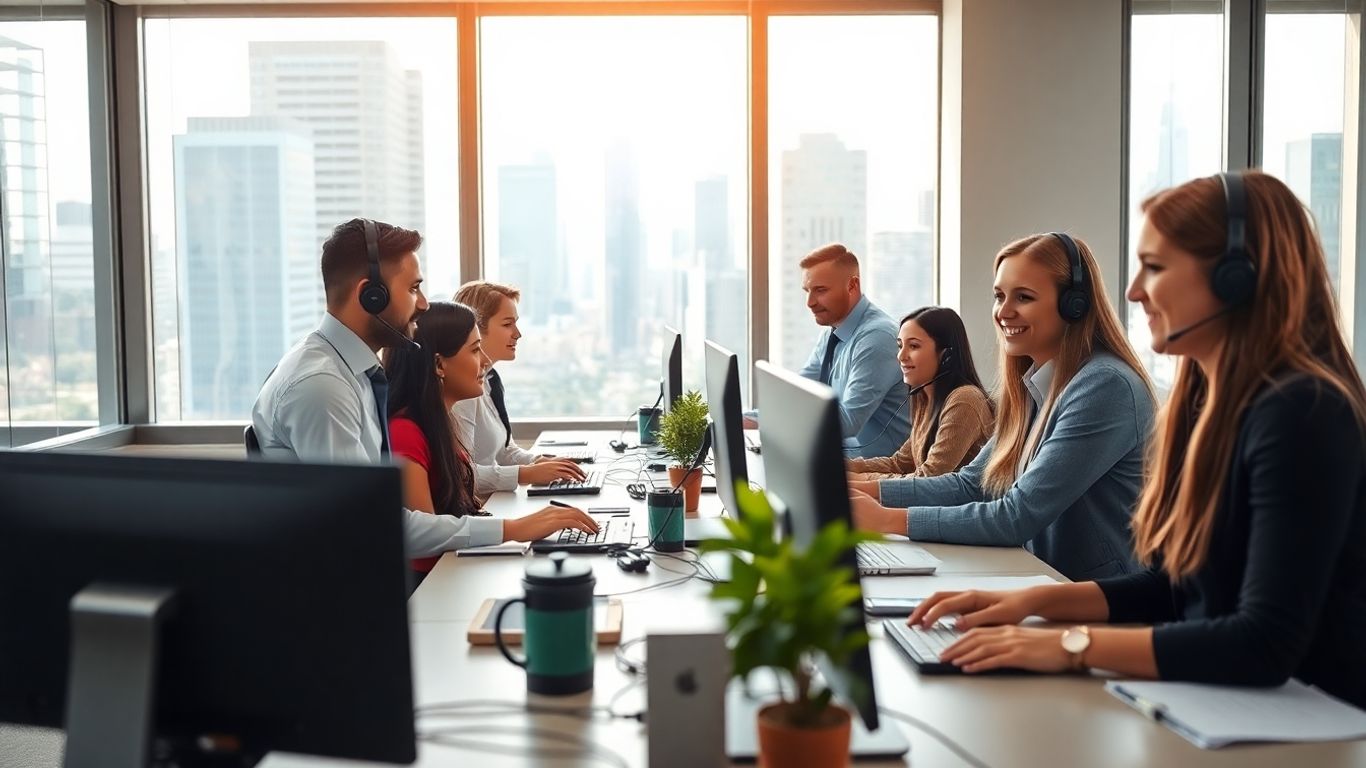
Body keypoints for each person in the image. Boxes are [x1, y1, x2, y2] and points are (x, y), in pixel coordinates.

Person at [905, 172, 1366, 708]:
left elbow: (1263, 642)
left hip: (1307, 723)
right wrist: (1024, 602)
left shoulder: (1303, 412)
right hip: (1222, 702)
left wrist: (1067, 645)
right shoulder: (1204, 402)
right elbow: (1173, 587)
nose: (1132, 291)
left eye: (1155, 267)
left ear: (1235, 277)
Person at [251, 218, 596, 558]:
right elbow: (371, 524)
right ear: (371, 295)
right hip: (343, 596)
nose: (424, 304)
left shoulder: (351, 373)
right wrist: (514, 529)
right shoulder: (322, 388)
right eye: (413, 288)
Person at [849, 233, 1155, 581]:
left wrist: (886, 519)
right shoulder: (1033, 386)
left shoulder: (1104, 386)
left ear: (1074, 305)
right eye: (999, 296)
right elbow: (972, 485)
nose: (1003, 312)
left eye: (1023, 297)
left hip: (1093, 599)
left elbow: (1016, 516)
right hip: (1037, 578)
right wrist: (861, 491)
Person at [451, 280, 585, 495]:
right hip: (478, 507)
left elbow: (505, 451)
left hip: (494, 502)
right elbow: (463, 475)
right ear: (475, 329)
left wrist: (540, 461)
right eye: (507, 324)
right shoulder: (463, 393)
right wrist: (527, 474)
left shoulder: (490, 380)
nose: (517, 333)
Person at [791, 243, 910, 458]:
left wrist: (780, 423)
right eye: (807, 291)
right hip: (838, 457)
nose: (809, 302)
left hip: (875, 470)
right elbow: (797, 395)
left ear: (853, 286)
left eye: (820, 290)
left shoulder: (877, 337)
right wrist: (746, 419)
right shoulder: (831, 334)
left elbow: (847, 423)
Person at [847, 306, 993, 481]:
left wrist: (859, 480)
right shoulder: (925, 398)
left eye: (914, 346)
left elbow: (928, 478)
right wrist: (850, 466)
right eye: (900, 345)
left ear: (946, 356)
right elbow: (901, 464)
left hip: (955, 506)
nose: (901, 356)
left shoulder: (964, 400)